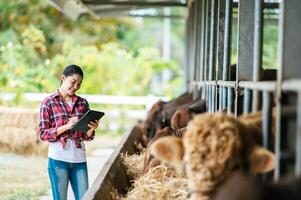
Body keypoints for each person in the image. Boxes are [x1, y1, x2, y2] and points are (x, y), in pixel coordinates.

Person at [38, 64, 99, 200]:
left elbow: (85, 136)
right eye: (73, 82)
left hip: (79, 158)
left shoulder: (83, 103)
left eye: (79, 84)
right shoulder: (48, 102)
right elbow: (43, 133)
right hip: (58, 159)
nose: (76, 86)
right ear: (63, 78)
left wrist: (91, 130)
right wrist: (66, 126)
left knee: (84, 198)